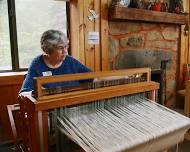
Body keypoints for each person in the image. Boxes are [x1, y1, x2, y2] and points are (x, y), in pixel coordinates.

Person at [19, 29, 92, 93]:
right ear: (48, 49)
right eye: (60, 48)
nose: (65, 51)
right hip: (49, 106)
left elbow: (91, 78)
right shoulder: (37, 64)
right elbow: (25, 92)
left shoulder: (70, 61)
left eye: (66, 46)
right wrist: (41, 91)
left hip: (73, 105)